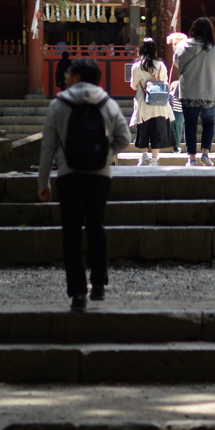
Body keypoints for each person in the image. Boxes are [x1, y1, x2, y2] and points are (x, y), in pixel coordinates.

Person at [37, 57, 132, 311]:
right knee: (96, 227)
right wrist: (106, 154)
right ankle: (99, 283)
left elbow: (48, 146)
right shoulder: (107, 103)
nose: (65, 77)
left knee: (71, 233)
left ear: (77, 77)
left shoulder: (58, 104)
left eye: (68, 73)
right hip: (100, 175)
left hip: (68, 173)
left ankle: (78, 292)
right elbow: (124, 137)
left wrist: (43, 180)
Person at [175, 15, 215, 167]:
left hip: (189, 92)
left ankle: (191, 158)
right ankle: (205, 154)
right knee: (208, 123)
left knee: (190, 125)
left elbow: (177, 63)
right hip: (209, 92)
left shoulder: (182, 46)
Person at [129, 37, 173, 164]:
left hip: (144, 101)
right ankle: (154, 159)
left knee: (143, 129)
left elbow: (133, 85)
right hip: (159, 102)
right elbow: (164, 81)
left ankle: (144, 156)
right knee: (157, 130)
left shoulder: (137, 66)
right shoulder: (161, 65)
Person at [166, 31, 186, 152]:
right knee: (176, 122)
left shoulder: (180, 57)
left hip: (180, 93)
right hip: (176, 93)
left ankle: (176, 145)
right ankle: (176, 144)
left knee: (178, 121)